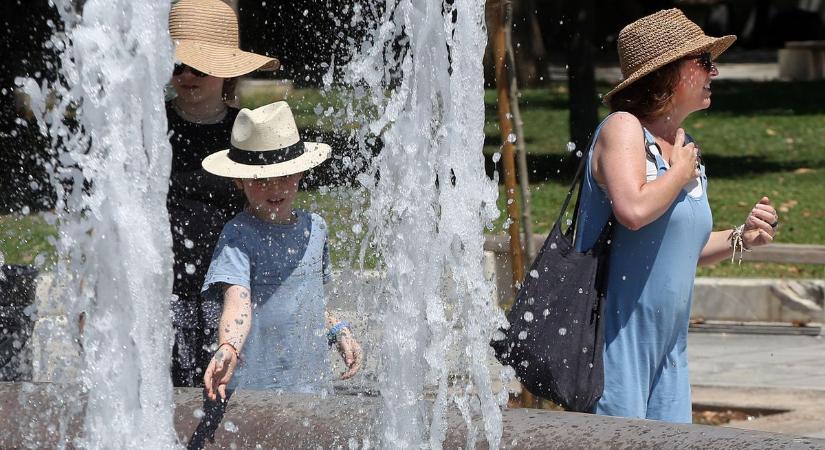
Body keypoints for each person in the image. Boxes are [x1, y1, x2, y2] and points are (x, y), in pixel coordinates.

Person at [574, 9, 779, 423]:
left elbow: (683, 246)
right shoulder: (623, 129)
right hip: (615, 352)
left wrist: (743, 236)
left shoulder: (685, 146)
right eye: (703, 62)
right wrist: (680, 172)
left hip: (670, 356)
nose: (714, 72)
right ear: (668, 72)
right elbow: (633, 210)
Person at [199, 102, 362, 400]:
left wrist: (337, 328)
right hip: (255, 394)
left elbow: (307, 300)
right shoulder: (238, 236)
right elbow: (237, 305)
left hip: (311, 389)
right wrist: (228, 347)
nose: (275, 188)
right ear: (239, 180)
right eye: (261, 179)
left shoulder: (316, 228)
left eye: (285, 175)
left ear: (301, 172)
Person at [166, 0, 280, 387]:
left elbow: (269, 205)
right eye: (178, 65)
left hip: (229, 289)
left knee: (228, 396)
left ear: (225, 71)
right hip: (166, 288)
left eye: (200, 66)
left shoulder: (243, 132)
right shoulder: (151, 127)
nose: (187, 75)